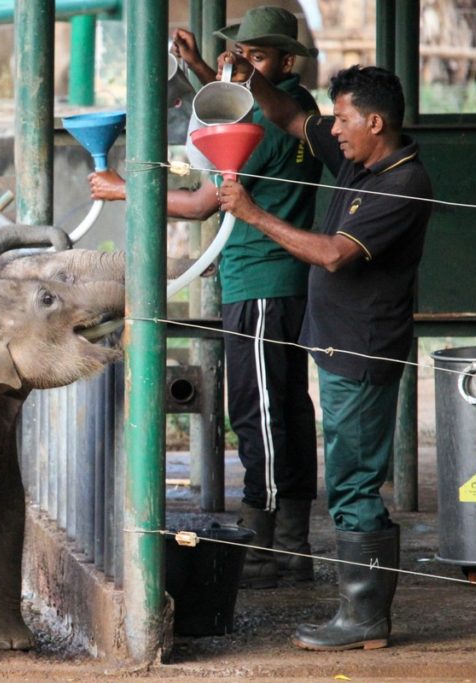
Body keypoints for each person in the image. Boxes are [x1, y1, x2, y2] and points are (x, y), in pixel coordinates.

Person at [89, 5, 323, 590]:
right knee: (287, 411)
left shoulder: (261, 127)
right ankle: (293, 545)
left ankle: (268, 548)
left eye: (257, 57)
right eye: (239, 55)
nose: (241, 65)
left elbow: (202, 203)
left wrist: (125, 189)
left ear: (284, 63)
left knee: (257, 416)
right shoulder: (302, 113)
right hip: (284, 285)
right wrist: (198, 67)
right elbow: (240, 106)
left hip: (259, 283)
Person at [217, 61, 433, 651]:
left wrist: (254, 215)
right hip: (340, 347)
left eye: (342, 119)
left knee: (354, 484)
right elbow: (289, 115)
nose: (332, 130)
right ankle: (360, 612)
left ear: (375, 121)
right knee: (348, 478)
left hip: (364, 352)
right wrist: (246, 78)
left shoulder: (401, 184)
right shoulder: (359, 163)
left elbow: (336, 254)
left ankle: (363, 616)